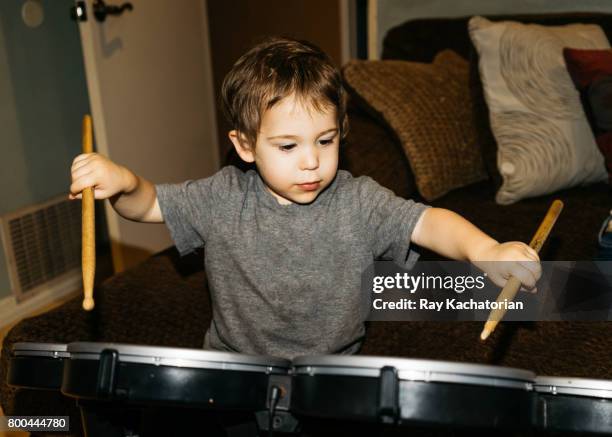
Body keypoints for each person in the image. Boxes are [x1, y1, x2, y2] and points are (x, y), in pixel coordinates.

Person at [69, 37, 541, 359]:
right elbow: (149, 205)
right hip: (234, 370)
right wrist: (125, 182)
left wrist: (486, 250)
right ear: (245, 146)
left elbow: (428, 223)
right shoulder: (220, 197)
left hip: (334, 370)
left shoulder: (359, 202)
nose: (311, 161)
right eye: (288, 146)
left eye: (326, 140)